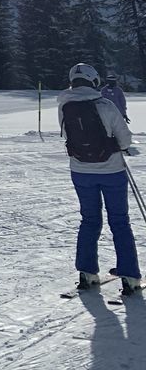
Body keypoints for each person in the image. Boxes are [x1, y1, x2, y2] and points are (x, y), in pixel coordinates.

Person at [59, 63, 141, 296]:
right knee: (119, 221)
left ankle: (86, 272)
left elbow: (66, 135)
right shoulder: (105, 104)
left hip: (81, 171)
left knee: (89, 219)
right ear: (93, 81)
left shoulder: (64, 105)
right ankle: (129, 276)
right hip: (111, 171)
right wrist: (117, 146)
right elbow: (124, 140)